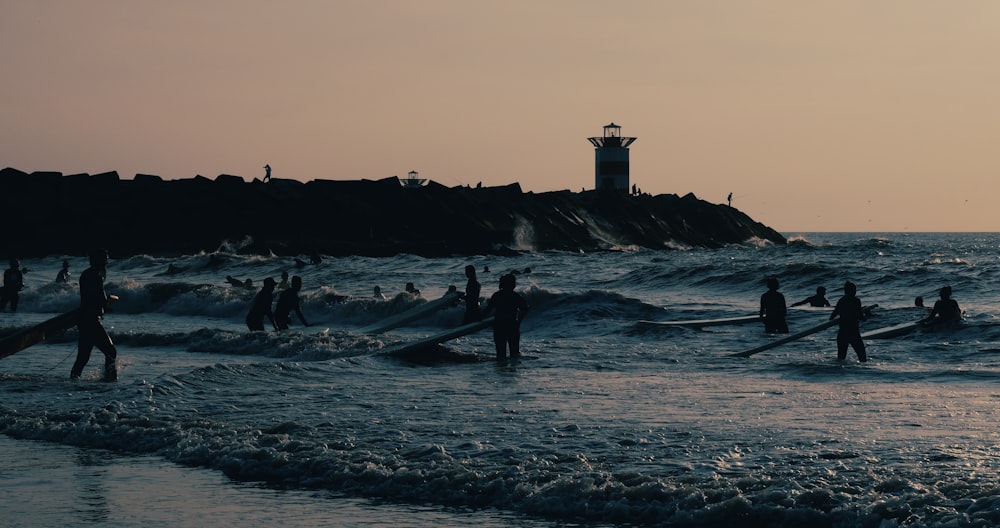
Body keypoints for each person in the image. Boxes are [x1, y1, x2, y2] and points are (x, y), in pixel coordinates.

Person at [70, 250, 118, 381]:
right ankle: (110, 380)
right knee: (111, 352)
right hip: (91, 320)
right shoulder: (96, 276)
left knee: (83, 357)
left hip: (85, 319)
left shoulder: (87, 274)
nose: (106, 262)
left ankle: (73, 379)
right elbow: (101, 299)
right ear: (96, 260)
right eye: (104, 259)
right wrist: (110, 300)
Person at [480, 273, 529, 360]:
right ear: (512, 284)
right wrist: (518, 321)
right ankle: (513, 372)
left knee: (500, 355)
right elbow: (525, 309)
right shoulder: (516, 296)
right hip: (512, 326)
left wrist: (477, 318)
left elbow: (488, 310)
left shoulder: (497, 295)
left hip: (499, 326)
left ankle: (501, 372)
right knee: (514, 355)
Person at [830, 280, 867, 362]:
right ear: (852, 290)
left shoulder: (841, 300)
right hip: (853, 332)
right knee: (863, 358)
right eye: (854, 290)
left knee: (841, 359)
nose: (855, 292)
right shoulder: (856, 300)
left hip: (842, 332)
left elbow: (832, 317)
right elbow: (861, 317)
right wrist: (866, 315)